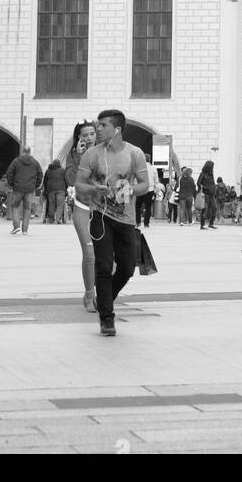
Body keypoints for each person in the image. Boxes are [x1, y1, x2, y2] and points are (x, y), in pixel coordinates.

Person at [73, 109, 149, 337]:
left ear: (116, 129)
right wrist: (95, 189)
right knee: (103, 266)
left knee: (126, 268)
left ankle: (104, 298)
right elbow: (78, 185)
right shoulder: (92, 155)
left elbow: (144, 184)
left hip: (126, 219)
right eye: (98, 124)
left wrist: (129, 188)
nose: (98, 129)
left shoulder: (135, 154)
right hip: (100, 217)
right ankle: (107, 319)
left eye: (103, 125)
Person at [65, 120, 98, 312]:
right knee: (90, 254)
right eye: (84, 135)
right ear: (78, 137)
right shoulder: (73, 155)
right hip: (82, 207)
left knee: (107, 256)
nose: (88, 138)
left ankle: (103, 291)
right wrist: (78, 156)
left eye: (92, 134)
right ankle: (89, 294)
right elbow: (71, 179)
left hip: (104, 209)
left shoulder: (105, 151)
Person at [5, 145, 44, 235]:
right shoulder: (35, 162)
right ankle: (25, 230)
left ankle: (16, 226)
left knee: (14, 206)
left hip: (18, 188)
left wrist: (11, 184)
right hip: (30, 189)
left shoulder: (16, 161)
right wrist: (36, 185)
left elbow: (9, 172)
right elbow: (40, 174)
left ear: (22, 151)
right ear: (30, 152)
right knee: (27, 208)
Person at [135, 160, 156, 229]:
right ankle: (146, 224)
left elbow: (135, 178)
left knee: (137, 206)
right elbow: (156, 180)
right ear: (149, 160)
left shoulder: (138, 167)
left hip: (140, 188)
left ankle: (137, 222)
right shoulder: (153, 168)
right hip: (149, 189)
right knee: (148, 207)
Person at [197, 160, 218, 230]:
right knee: (204, 209)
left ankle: (211, 224)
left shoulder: (211, 174)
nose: (213, 168)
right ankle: (202, 225)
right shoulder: (203, 174)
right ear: (209, 166)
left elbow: (212, 183)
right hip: (205, 195)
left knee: (214, 208)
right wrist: (206, 188)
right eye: (212, 166)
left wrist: (214, 189)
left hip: (211, 195)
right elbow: (198, 183)